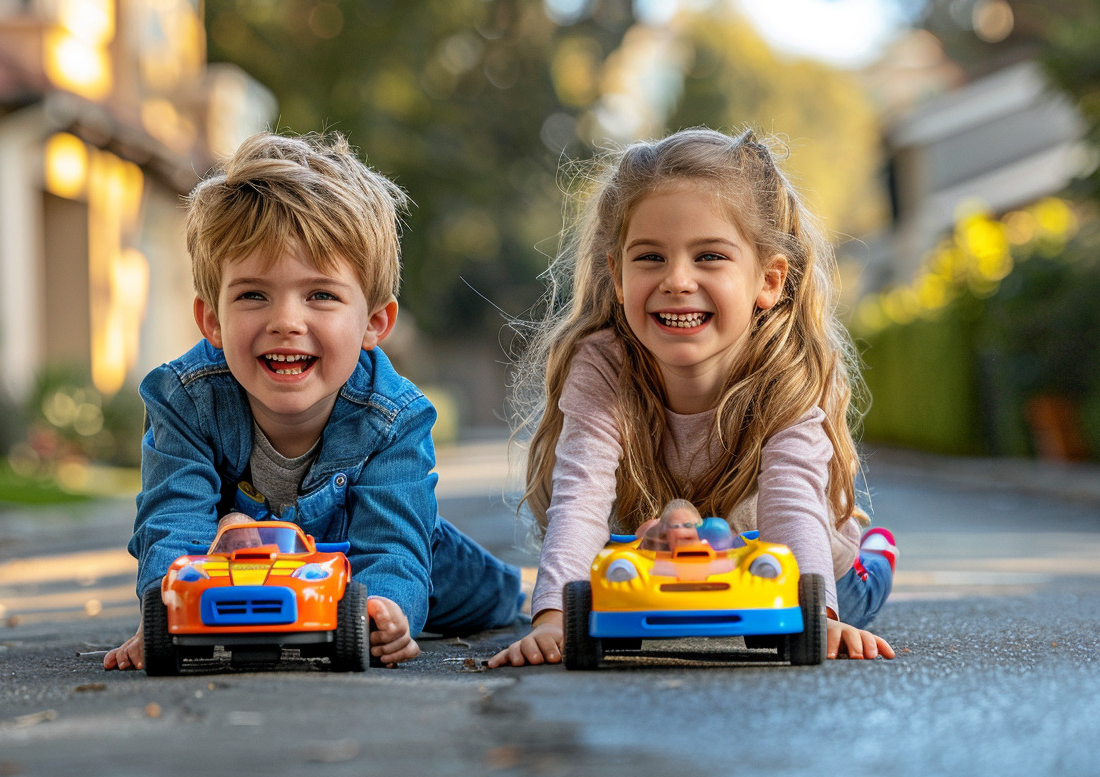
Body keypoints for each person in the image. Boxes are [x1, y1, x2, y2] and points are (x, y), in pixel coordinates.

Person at [105, 131, 521, 671]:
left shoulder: (393, 415)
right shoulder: (186, 399)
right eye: (253, 295)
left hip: (380, 550)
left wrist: (385, 608)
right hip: (239, 562)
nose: (286, 322)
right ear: (211, 319)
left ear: (375, 323)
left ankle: (506, 592)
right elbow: (172, 519)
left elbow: (393, 545)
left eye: (320, 295)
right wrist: (163, 613)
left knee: (485, 594)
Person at [489, 127, 898, 668]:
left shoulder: (786, 371)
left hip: (802, 566)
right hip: (667, 558)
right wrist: (552, 620)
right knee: (608, 578)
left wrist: (819, 617)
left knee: (849, 598)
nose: (677, 280)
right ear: (616, 275)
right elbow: (580, 494)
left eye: (709, 256)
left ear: (769, 281)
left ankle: (878, 548)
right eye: (650, 258)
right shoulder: (604, 364)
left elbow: (792, 501)